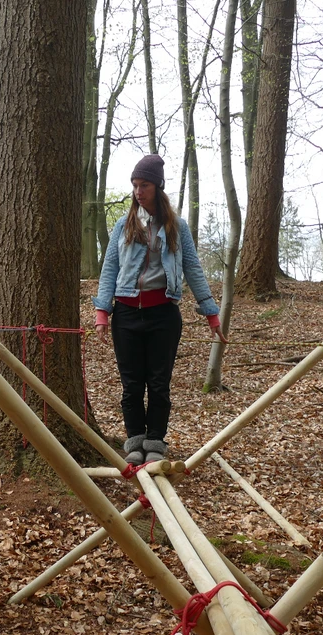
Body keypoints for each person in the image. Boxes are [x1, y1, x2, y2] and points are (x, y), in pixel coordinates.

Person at [92, 154, 226, 466]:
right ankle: (135, 440)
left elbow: (192, 268)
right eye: (135, 185)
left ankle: (155, 441)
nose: (138, 191)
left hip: (163, 315)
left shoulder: (177, 227)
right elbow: (109, 268)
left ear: (158, 187)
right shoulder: (122, 227)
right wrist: (102, 311)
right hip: (125, 314)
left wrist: (210, 312)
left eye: (145, 185)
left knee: (159, 383)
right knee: (131, 384)